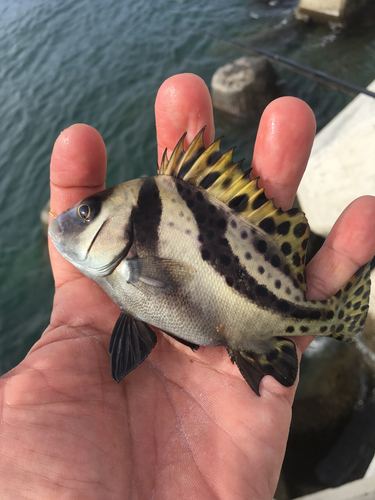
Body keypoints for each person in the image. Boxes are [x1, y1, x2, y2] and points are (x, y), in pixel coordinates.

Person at [0, 73, 374, 500]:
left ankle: (332, 318)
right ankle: (332, 317)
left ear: (122, 230)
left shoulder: (128, 266)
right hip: (260, 299)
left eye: (87, 213)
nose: (68, 222)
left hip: (256, 305)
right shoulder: (127, 262)